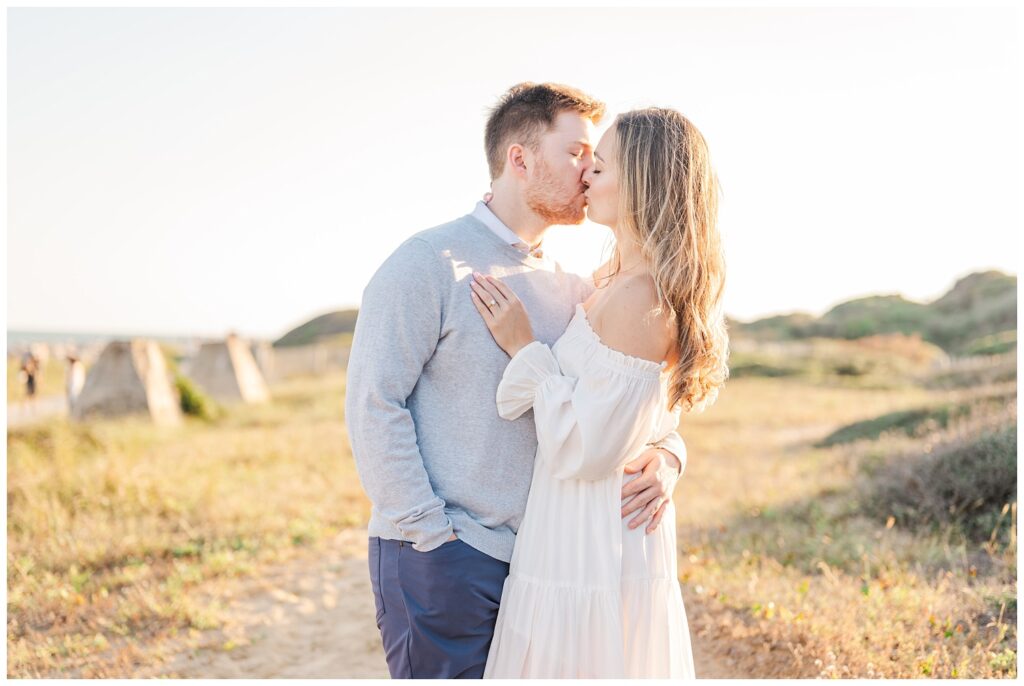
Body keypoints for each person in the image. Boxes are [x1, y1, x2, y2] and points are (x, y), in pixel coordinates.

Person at [345, 83, 689, 679]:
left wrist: (667, 455)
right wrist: (433, 536)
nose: (590, 170)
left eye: (596, 159)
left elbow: (627, 401)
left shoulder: (575, 286)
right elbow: (374, 404)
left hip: (542, 563)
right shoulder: (429, 261)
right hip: (447, 555)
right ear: (521, 159)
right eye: (577, 152)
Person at [475, 107, 729, 677]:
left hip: (592, 539)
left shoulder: (642, 298)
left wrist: (524, 349)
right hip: (577, 529)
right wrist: (670, 454)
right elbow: (644, 419)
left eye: (603, 164)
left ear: (641, 182)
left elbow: (586, 447)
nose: (587, 173)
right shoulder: (613, 281)